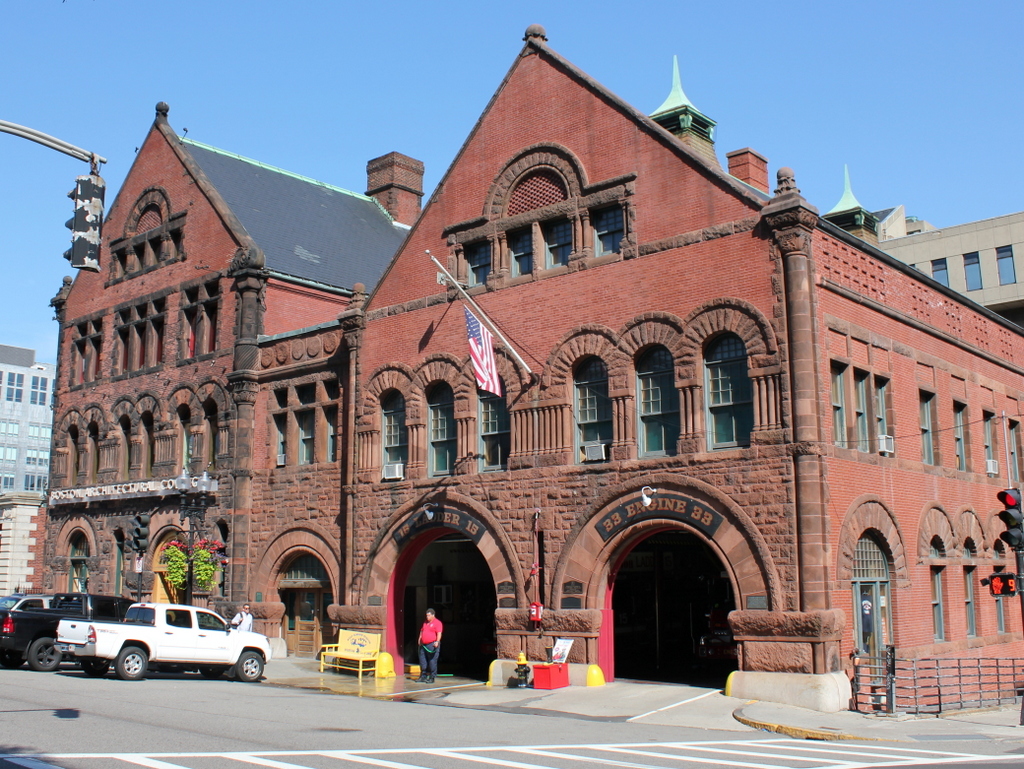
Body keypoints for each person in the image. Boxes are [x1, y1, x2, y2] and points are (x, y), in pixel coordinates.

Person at [417, 608, 443, 683]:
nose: (427, 617)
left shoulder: (437, 623)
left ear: (433, 615)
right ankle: (423, 676)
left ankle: (432, 676)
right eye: (426, 615)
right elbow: (422, 631)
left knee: (432, 661)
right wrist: (420, 639)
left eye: (428, 615)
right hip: (423, 645)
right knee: (423, 660)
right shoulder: (425, 623)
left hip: (432, 644)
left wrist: (437, 641)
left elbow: (439, 633)